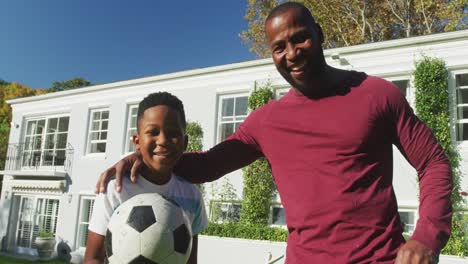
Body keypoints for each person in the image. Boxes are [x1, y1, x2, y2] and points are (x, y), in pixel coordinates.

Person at [96, 2, 453, 263]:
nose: (292, 53)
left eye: (300, 39)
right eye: (279, 47)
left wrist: (426, 237)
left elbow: (433, 162)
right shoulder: (266, 121)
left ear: (320, 35)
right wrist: (144, 158)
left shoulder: (377, 95)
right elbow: (207, 166)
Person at [85, 92, 207, 264]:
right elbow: (92, 258)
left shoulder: (192, 196)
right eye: (153, 132)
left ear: (185, 142)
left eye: (173, 133)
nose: (163, 140)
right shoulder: (116, 188)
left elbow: (189, 260)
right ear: (137, 141)